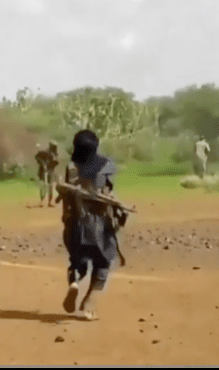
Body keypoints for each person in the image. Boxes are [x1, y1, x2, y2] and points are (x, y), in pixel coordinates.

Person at [60, 129, 128, 320]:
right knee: (103, 262)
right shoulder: (106, 164)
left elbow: (67, 197)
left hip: (75, 223)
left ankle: (74, 282)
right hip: (100, 225)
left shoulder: (71, 167)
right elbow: (107, 191)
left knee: (77, 260)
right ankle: (89, 302)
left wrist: (66, 217)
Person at [35, 141, 60, 207]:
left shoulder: (54, 155)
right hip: (44, 172)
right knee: (44, 186)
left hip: (50, 172)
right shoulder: (45, 153)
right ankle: (42, 201)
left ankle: (48, 202)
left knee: (50, 187)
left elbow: (54, 164)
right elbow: (37, 157)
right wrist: (43, 163)